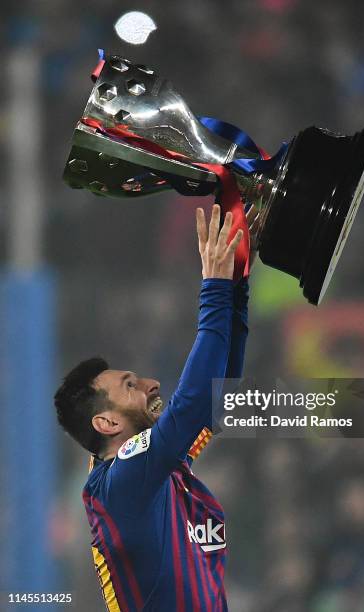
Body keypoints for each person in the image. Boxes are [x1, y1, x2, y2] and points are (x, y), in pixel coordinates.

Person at [54, 204, 259, 612]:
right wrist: (216, 286)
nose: (151, 385)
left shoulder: (154, 472)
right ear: (107, 421)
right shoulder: (123, 482)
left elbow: (217, 397)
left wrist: (235, 287)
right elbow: (192, 403)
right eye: (130, 385)